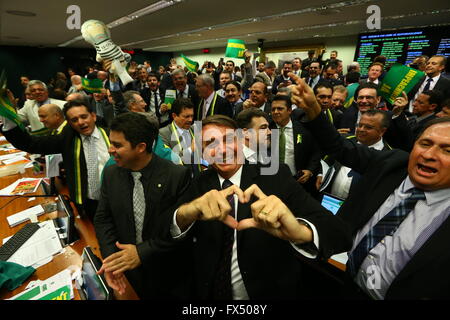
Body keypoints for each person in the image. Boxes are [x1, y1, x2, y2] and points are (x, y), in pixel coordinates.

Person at [289, 71, 450, 299]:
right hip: (342, 282)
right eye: (425, 143)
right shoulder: (393, 164)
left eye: (447, 150)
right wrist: (315, 111)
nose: (430, 155)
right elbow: (340, 147)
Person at [168, 114, 351, 300]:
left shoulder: (275, 176)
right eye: (210, 144)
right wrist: (186, 212)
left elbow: (339, 233)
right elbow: (166, 229)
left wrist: (299, 232)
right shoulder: (198, 183)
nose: (222, 150)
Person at [95, 112, 191, 299]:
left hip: (168, 275)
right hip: (129, 275)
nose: (110, 150)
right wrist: (113, 262)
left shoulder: (177, 176)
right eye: (111, 143)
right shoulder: (111, 173)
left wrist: (141, 252)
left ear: (140, 147)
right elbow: (103, 219)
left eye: (117, 145)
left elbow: (181, 231)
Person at [1, 99, 111, 220]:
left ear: (94, 116)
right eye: (74, 120)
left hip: (117, 200)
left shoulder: (112, 135)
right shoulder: (67, 139)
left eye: (84, 117)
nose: (80, 122)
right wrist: (7, 115)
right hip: (88, 204)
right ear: (69, 123)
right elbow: (29, 143)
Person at [317, 110, 392, 199]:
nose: (361, 130)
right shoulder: (346, 140)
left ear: (382, 131)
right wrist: (321, 174)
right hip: (328, 200)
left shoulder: (388, 157)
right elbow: (328, 158)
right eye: (359, 125)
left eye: (368, 127)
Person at [270, 95, 321, 194]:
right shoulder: (267, 129)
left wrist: (310, 170)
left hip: (298, 181)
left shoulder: (303, 129)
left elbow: (315, 151)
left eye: (280, 109)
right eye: (273, 109)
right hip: (272, 181)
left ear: (289, 110)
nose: (275, 112)